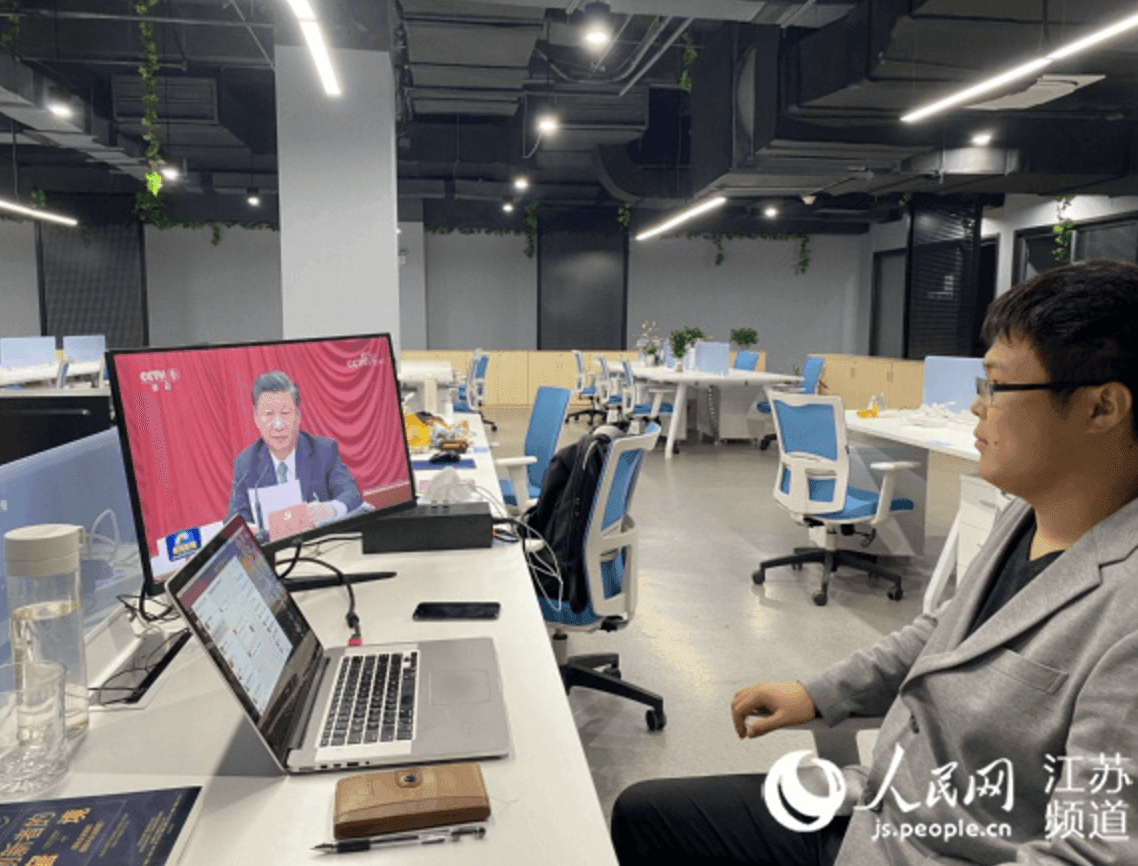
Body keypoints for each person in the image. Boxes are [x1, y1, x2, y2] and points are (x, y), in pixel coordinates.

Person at [611, 259, 1138, 866]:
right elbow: (942, 632)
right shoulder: (1028, 515)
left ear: (1101, 408)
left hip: (929, 850)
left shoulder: (1125, 611)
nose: (977, 407)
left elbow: (1092, 854)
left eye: (995, 387)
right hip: (880, 803)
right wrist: (817, 693)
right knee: (644, 814)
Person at [226, 370, 362, 529]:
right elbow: (234, 518)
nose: (278, 425)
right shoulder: (246, 463)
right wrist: (249, 530)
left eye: (285, 413)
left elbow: (351, 494)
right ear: (256, 418)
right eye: (269, 414)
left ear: (297, 415)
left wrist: (330, 509)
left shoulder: (323, 451)